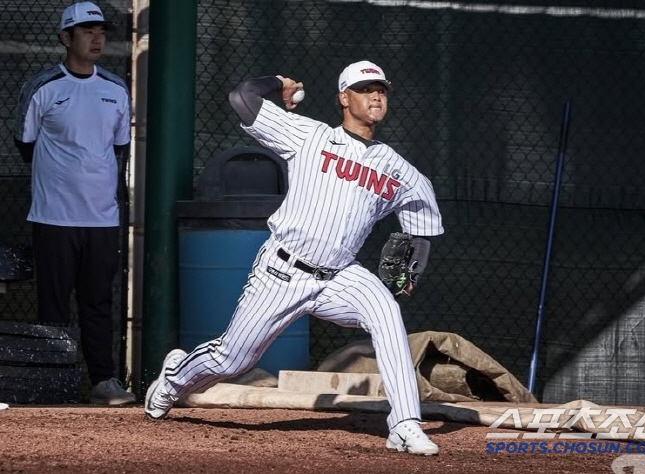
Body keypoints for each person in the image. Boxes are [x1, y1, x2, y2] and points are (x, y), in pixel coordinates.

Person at [145, 60, 444, 455]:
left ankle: (404, 423)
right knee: (232, 359)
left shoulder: (399, 170)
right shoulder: (310, 135)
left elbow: (421, 219)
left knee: (386, 313)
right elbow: (242, 97)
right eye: (365, 88)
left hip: (341, 275)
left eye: (382, 89)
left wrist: (415, 255)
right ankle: (174, 378)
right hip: (282, 270)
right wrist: (280, 83)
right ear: (343, 97)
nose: (375, 95)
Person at [13, 2, 134, 406]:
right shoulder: (43, 87)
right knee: (53, 305)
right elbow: (25, 143)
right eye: (86, 31)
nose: (97, 38)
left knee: (98, 302)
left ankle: (103, 382)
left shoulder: (116, 89)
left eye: (101, 31)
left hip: (102, 219)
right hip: (53, 218)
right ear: (66, 38)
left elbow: (118, 146)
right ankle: (52, 385)